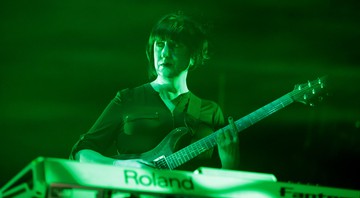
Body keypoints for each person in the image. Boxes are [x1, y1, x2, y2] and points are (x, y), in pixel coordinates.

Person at [69, 11, 240, 171]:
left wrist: (230, 161)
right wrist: (121, 165)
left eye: (174, 45)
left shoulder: (210, 111)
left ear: (193, 55)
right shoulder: (128, 99)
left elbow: (223, 181)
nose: (165, 53)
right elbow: (81, 153)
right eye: (159, 44)